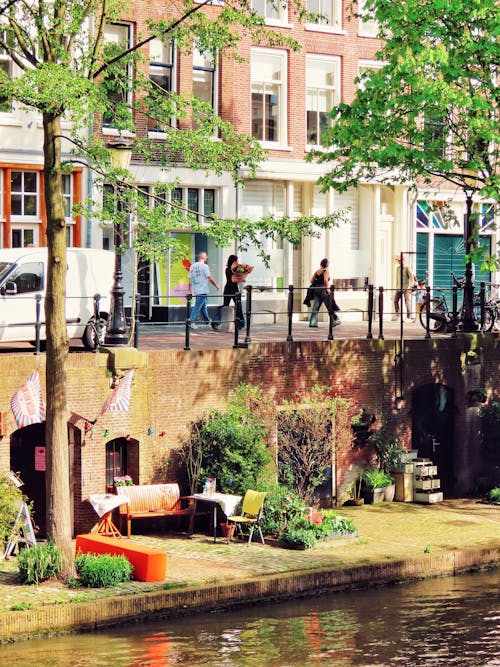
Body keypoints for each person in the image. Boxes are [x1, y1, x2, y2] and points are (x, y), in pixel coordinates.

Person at [188, 251, 220, 330]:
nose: (207, 258)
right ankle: (191, 321)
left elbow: (190, 279)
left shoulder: (192, 266)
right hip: (203, 289)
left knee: (203, 306)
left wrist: (190, 290)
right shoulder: (205, 266)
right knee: (198, 306)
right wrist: (216, 285)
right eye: (206, 257)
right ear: (204, 257)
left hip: (196, 289)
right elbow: (209, 277)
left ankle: (207, 321)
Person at [308, 258, 340, 328]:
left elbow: (311, 281)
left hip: (316, 290)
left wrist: (317, 283)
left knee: (316, 307)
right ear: (327, 264)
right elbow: (325, 280)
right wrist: (327, 289)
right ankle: (333, 321)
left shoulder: (317, 271)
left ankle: (313, 323)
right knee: (329, 305)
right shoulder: (326, 271)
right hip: (323, 289)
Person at [218, 254, 247, 330]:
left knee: (225, 305)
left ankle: (217, 321)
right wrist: (242, 279)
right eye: (236, 260)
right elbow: (233, 280)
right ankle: (241, 323)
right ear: (233, 261)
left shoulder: (227, 269)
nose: (237, 262)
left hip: (227, 289)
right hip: (234, 290)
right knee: (238, 307)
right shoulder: (232, 270)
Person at [394, 254, 415, 321]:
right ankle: (398, 315)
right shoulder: (398, 268)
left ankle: (409, 317)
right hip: (399, 287)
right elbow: (397, 278)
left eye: (400, 260)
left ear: (403, 260)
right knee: (395, 300)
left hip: (406, 287)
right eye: (398, 261)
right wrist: (397, 286)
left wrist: (410, 287)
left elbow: (412, 277)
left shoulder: (407, 268)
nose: (399, 262)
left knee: (407, 301)